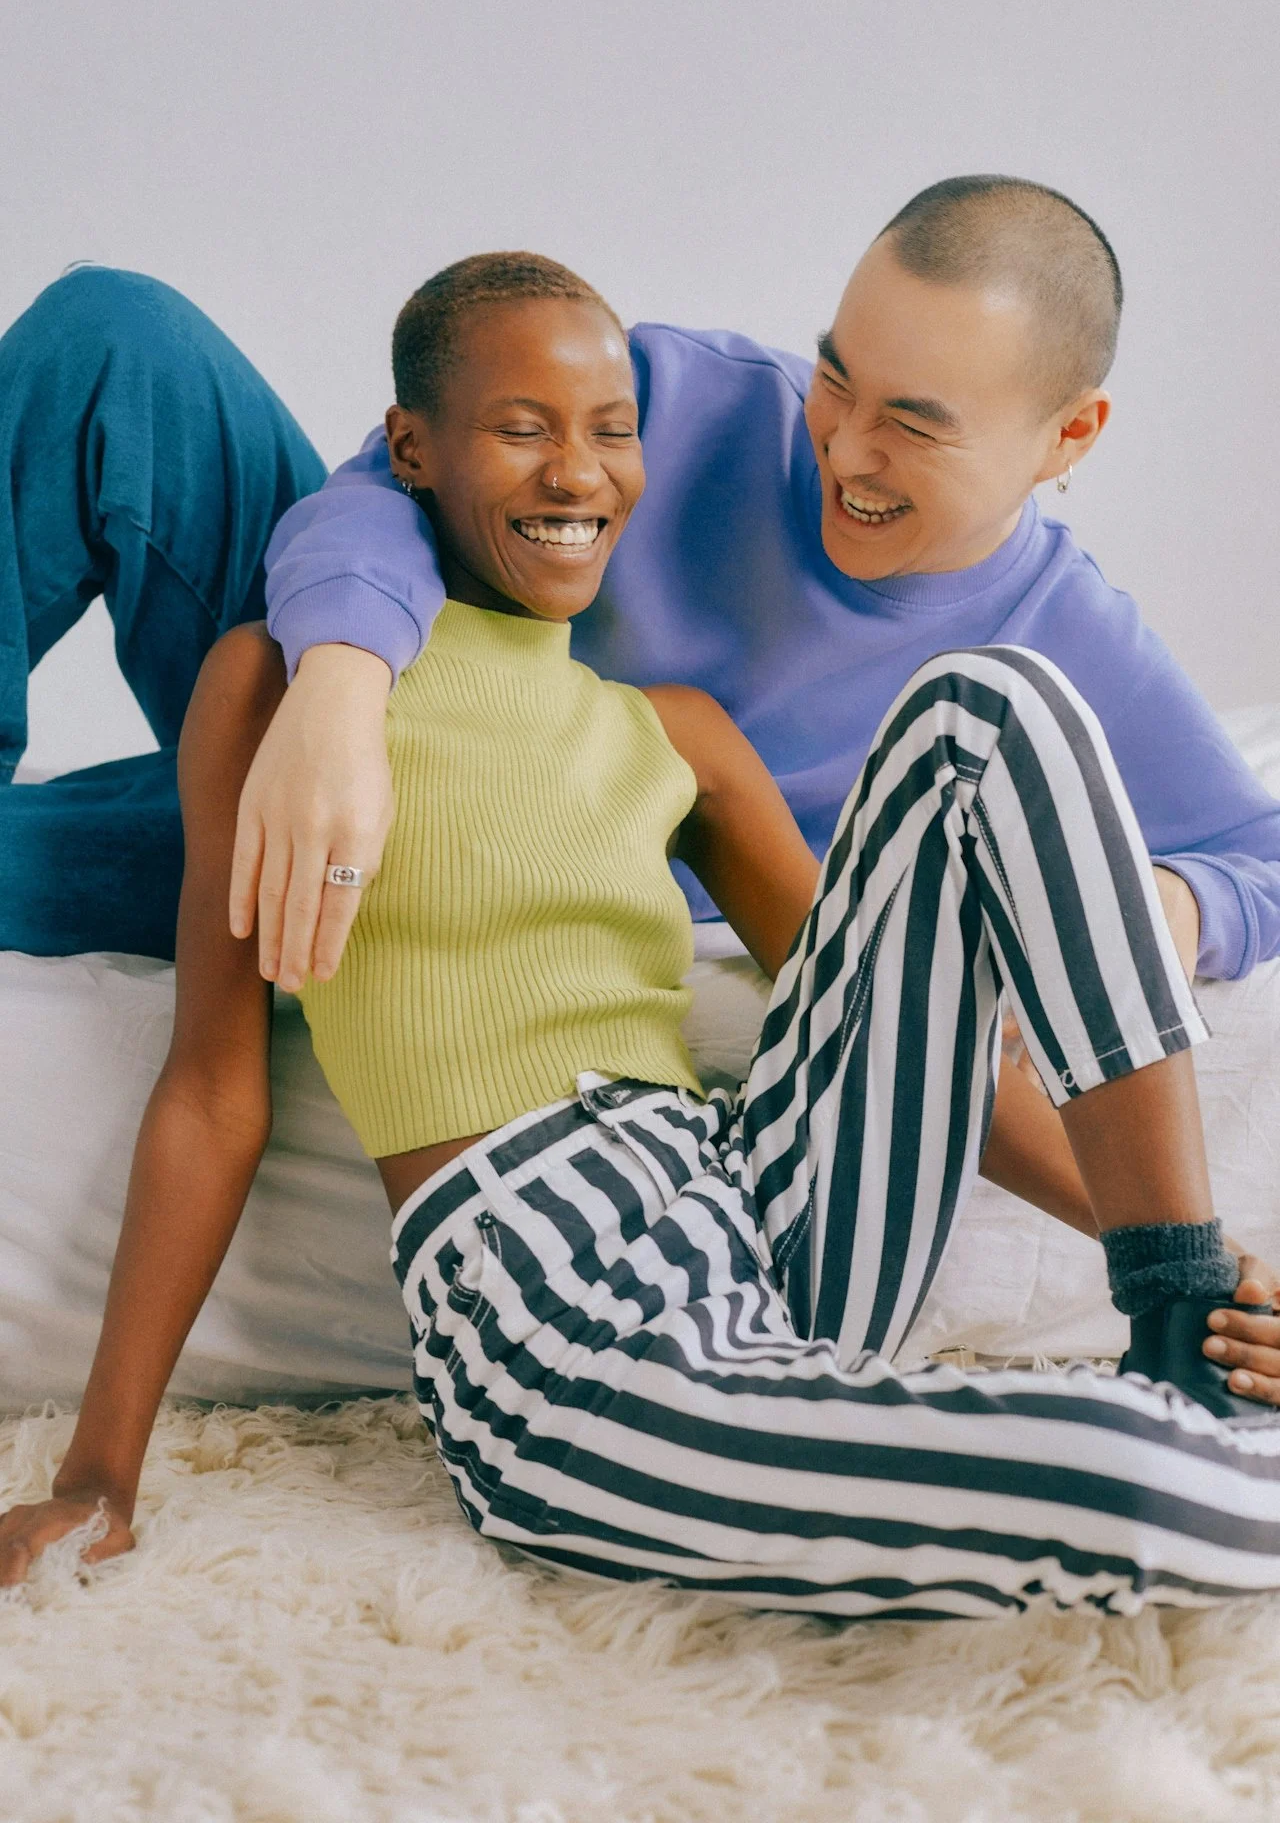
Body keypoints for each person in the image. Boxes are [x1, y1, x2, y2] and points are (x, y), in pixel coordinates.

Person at [4, 256, 1280, 1614]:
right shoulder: (278, 685)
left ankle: (1175, 1310)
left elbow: (895, 1042)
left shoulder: (679, 734)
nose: (577, 474)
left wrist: (1205, 1266)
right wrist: (101, 1473)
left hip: (757, 1206)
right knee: (1157, 1490)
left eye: (611, 433)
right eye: (522, 430)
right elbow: (213, 1092)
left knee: (996, 702)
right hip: (564, 1330)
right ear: (411, 452)